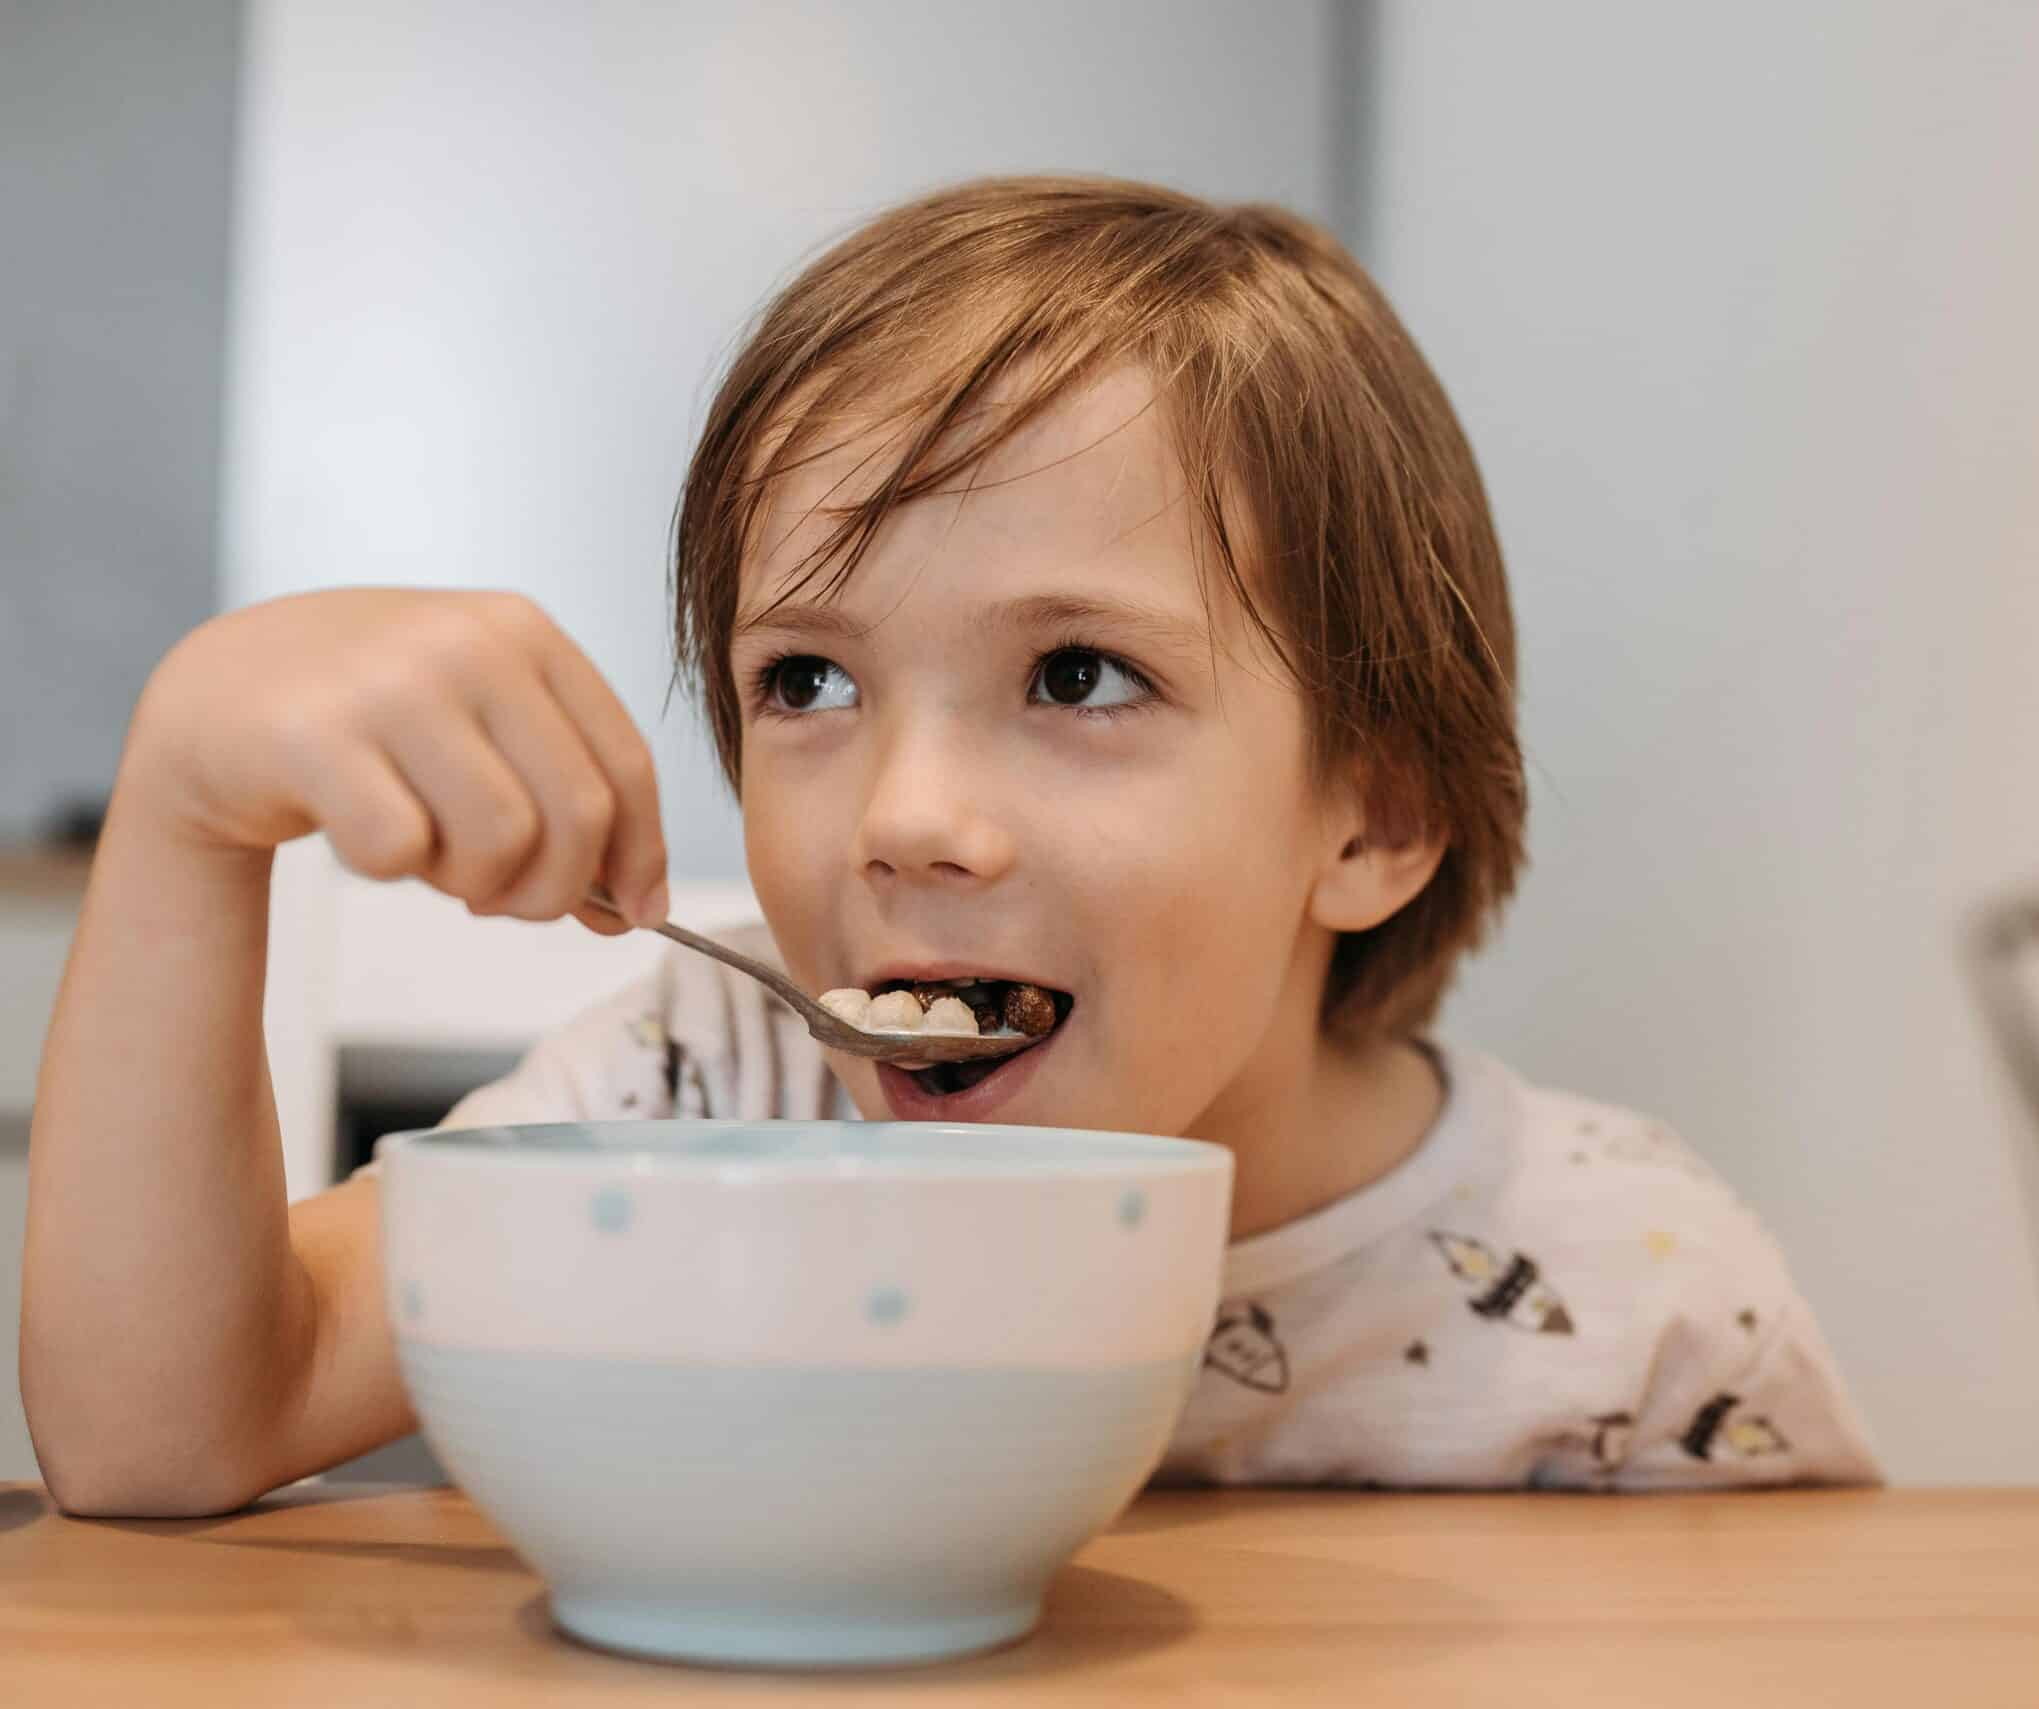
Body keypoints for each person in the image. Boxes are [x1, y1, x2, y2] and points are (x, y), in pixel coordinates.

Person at [23, 177, 1877, 1513]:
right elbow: (166, 1432)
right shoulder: (706, 1097)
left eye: (1078, 674)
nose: (904, 817)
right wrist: (190, 804)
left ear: (1373, 814)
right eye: (807, 678)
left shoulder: (1633, 1301)